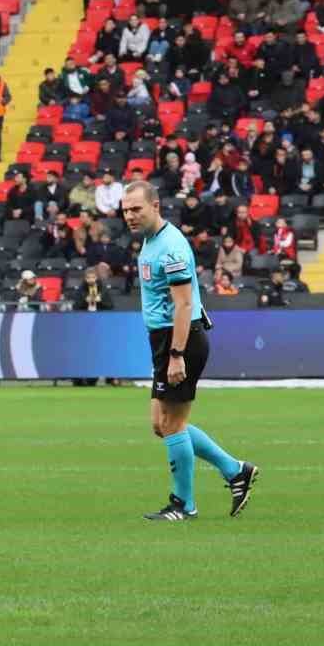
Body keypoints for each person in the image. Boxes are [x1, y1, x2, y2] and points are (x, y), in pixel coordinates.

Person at [121, 181, 258, 523]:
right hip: (164, 341)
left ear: (155, 206)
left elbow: (184, 305)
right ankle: (234, 469)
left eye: (136, 208)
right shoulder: (151, 242)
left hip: (180, 340)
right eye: (125, 210)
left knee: (173, 423)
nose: (130, 215)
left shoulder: (170, 247)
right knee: (161, 424)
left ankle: (184, 504)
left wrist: (177, 354)